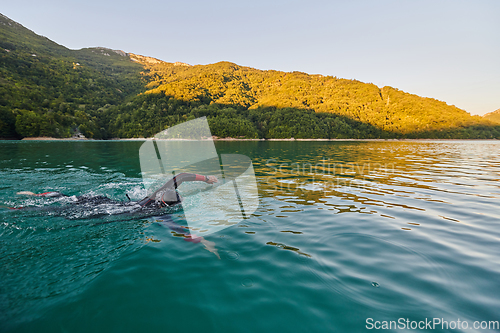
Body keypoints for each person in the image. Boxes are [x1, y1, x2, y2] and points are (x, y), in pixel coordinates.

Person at [16, 172, 218, 208]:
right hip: (105, 211)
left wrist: (206, 179)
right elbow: (177, 229)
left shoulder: (152, 198)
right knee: (64, 208)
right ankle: (18, 210)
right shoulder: (155, 211)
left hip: (105, 202)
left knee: (70, 198)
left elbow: (180, 177)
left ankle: (36, 196)